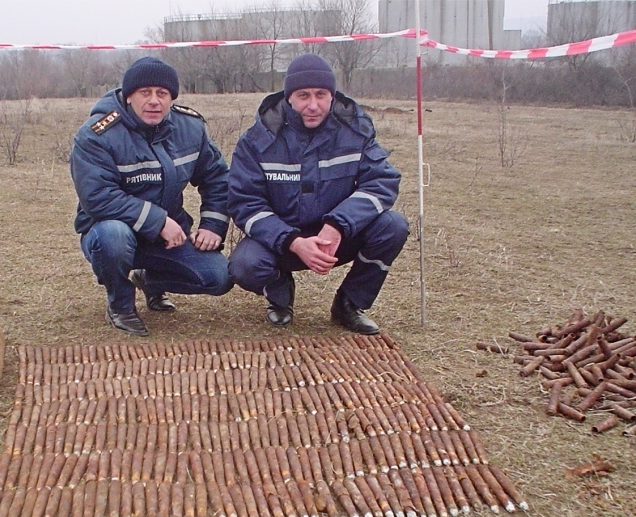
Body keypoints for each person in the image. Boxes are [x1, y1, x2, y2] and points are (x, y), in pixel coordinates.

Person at [227, 53, 408, 335]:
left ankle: (349, 304)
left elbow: (382, 181)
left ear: (332, 96)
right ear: (289, 98)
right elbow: (244, 203)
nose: (313, 105)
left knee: (393, 226)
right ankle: (280, 295)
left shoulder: (355, 132)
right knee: (244, 265)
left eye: (321, 95)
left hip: (336, 237)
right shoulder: (256, 140)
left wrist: (338, 224)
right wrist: (293, 241)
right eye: (303, 95)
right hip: (281, 241)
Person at [70, 57, 233, 336]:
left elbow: (217, 178)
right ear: (129, 95)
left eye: (163, 93)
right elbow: (98, 197)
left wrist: (212, 225)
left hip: (168, 237)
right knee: (114, 237)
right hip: (111, 232)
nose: (154, 101)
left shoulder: (190, 127)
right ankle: (120, 304)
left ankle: (152, 282)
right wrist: (158, 221)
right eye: (145, 93)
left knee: (220, 277)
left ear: (172, 98)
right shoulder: (96, 135)